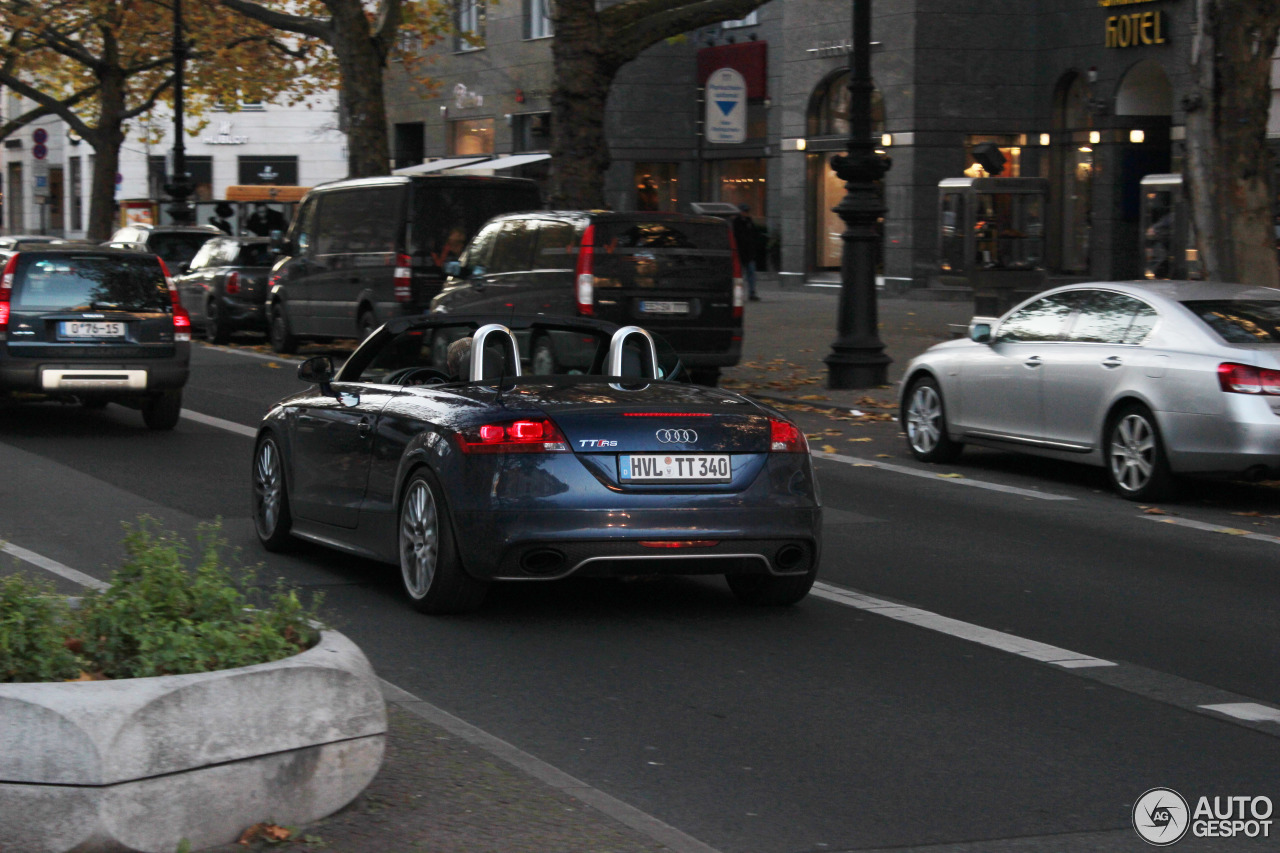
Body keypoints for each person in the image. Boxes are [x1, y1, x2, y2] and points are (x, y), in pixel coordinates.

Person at [732, 204, 760, 301]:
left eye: (747, 211)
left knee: (751, 273)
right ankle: (738, 295)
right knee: (739, 275)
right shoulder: (736, 222)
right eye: (744, 211)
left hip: (749, 253)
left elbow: (753, 235)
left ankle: (752, 293)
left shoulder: (749, 221)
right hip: (740, 252)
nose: (746, 213)